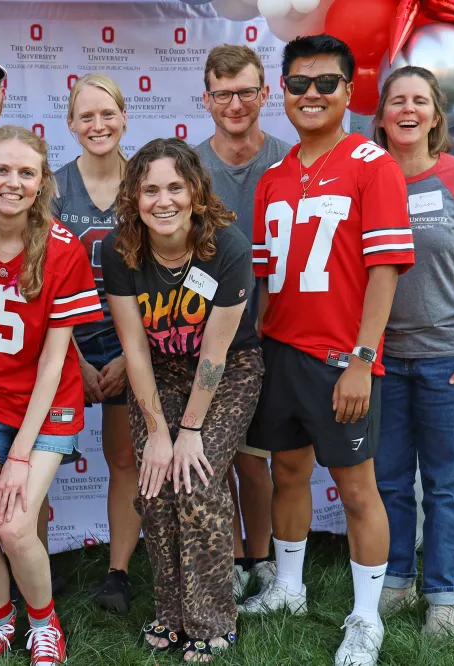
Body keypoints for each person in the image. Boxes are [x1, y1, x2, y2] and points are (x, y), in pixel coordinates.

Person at [240, 34, 415, 666]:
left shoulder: (373, 165)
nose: (310, 95)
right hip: (280, 352)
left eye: (325, 84)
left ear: (348, 92)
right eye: (298, 84)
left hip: (343, 356)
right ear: (280, 92)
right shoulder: (273, 176)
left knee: (358, 487)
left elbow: (385, 271)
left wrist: (363, 360)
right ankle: (288, 585)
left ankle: (366, 619)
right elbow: (264, 281)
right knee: (286, 470)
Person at [0, 125, 102, 666]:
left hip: (45, 408)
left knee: (13, 525)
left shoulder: (61, 250)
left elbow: (56, 361)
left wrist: (18, 454)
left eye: (26, 173)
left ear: (41, 184)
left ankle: (43, 622)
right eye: (2, 170)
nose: (13, 182)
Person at [102, 138, 261, 663]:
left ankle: (213, 620)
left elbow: (215, 356)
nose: (162, 200)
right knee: (154, 487)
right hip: (160, 372)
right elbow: (136, 352)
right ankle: (171, 613)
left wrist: (188, 432)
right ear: (133, 197)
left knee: (195, 481)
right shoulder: (119, 250)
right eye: (150, 189)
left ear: (195, 193)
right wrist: (157, 434)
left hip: (227, 370)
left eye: (175, 187)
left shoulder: (228, 248)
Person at [370, 66, 454, 636]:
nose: (408, 109)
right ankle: (396, 583)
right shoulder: (369, 180)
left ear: (434, 114)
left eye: (419, 100)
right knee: (391, 480)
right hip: (385, 362)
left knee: (448, 485)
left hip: (450, 363)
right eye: (397, 100)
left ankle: (444, 596)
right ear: (380, 117)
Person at [195, 43, 292, 600]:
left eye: (246, 92)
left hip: (274, 334)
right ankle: (232, 556)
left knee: (257, 461)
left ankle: (265, 557)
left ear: (263, 95)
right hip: (203, 338)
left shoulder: (289, 159)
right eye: (223, 93)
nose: (235, 104)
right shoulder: (189, 166)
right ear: (207, 99)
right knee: (214, 456)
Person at [51, 73, 139, 615]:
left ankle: (119, 572)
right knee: (38, 454)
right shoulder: (54, 187)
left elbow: (167, 278)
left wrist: (133, 357)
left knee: (124, 456)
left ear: (125, 116)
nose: (98, 125)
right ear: (70, 124)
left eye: (107, 114)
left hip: (134, 344)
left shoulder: (147, 182)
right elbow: (39, 284)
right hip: (67, 342)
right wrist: (75, 359)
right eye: (86, 116)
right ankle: (30, 565)